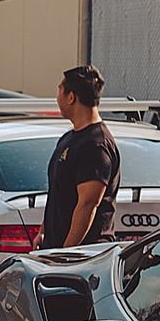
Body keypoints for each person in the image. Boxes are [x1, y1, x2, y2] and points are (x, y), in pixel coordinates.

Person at [39, 65, 121, 249]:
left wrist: (66, 254)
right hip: (55, 251)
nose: (57, 98)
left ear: (71, 97)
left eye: (59, 91)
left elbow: (88, 204)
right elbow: (58, 194)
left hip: (82, 256)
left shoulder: (96, 145)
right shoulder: (69, 138)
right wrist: (43, 232)